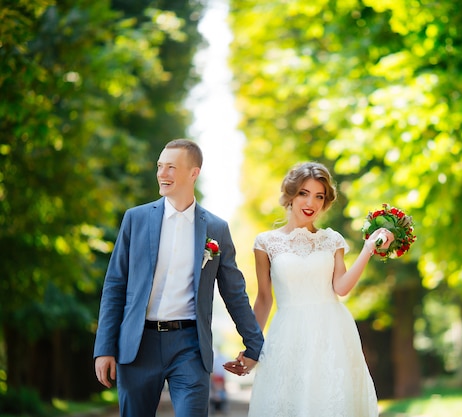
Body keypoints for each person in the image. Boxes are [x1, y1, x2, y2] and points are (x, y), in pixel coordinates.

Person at [93, 138, 263, 417]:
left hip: (190, 347)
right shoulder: (135, 219)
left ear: (193, 173)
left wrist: (254, 345)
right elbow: (115, 285)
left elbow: (234, 292)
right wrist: (104, 348)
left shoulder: (216, 229)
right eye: (160, 166)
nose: (162, 173)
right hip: (138, 345)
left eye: (171, 167)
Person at [242, 161, 393, 416]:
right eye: (304, 193)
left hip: (332, 335)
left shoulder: (331, 239)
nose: (311, 202)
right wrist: (251, 348)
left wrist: (368, 249)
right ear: (290, 194)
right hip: (289, 336)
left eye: (319, 196)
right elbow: (265, 299)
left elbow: (341, 287)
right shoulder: (266, 243)